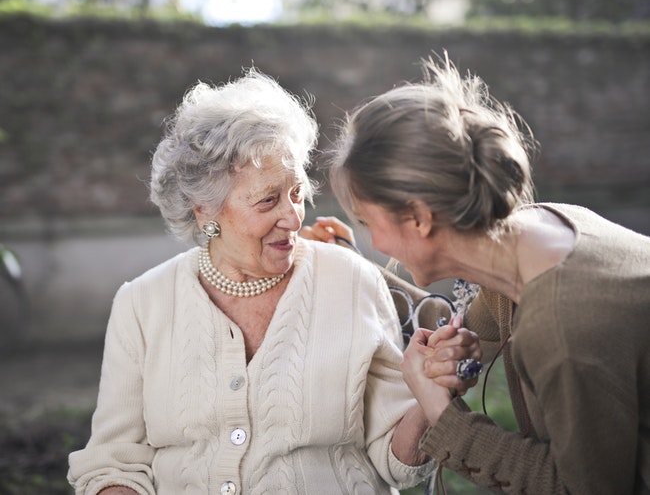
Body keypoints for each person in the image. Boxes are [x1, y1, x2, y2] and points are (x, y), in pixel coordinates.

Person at [66, 68, 486, 495]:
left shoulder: (350, 280)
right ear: (204, 211)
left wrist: (430, 391)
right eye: (268, 200)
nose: (292, 217)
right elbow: (113, 462)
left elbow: (397, 462)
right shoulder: (142, 303)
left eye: (297, 193)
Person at [324, 53, 650, 494]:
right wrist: (345, 262)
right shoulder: (540, 231)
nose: (376, 243)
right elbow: (458, 323)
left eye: (367, 223)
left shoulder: (561, 326)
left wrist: (443, 415)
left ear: (418, 218)